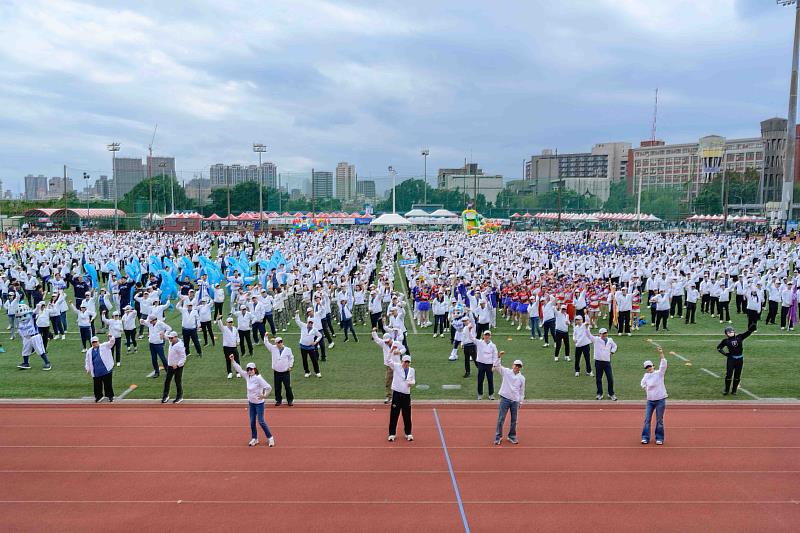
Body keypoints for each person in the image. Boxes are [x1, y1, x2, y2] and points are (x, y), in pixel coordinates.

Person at [230, 356, 275, 447]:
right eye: (248, 369)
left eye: (251, 369)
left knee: (261, 421)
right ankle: (254, 438)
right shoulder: (247, 376)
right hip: (251, 403)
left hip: (259, 404)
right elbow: (239, 369)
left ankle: (270, 438)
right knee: (252, 421)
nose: (249, 371)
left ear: (254, 369)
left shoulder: (258, 378)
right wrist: (232, 360)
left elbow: (268, 387)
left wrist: (264, 395)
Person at [493, 355, 525, 445]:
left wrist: (520, 401)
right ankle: (498, 437)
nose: (517, 367)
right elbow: (497, 366)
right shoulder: (506, 372)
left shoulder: (522, 378)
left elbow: (522, 391)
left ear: (520, 368)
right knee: (501, 419)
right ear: (513, 365)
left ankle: (512, 436)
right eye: (516, 365)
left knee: (514, 420)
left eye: (519, 366)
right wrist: (498, 357)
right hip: (505, 399)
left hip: (515, 401)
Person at [717, 324, 756, 395]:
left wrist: (751, 330)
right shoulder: (725, 341)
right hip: (731, 359)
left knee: (737, 375)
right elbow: (719, 348)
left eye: (731, 331)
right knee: (729, 374)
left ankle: (734, 390)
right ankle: (726, 390)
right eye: (729, 332)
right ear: (726, 334)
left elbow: (747, 333)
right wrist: (725, 354)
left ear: (734, 332)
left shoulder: (739, 337)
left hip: (739, 359)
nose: (731, 333)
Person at [640, 346, 667, 445]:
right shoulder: (646, 376)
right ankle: (645, 437)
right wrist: (645, 387)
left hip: (660, 400)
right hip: (650, 401)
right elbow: (642, 383)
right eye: (647, 367)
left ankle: (659, 438)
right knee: (647, 419)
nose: (649, 368)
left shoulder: (659, 374)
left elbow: (663, 365)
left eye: (650, 366)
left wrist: (661, 353)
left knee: (659, 420)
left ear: (653, 366)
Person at [14, 303, 52, 371]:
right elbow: (20, 331)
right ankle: (26, 363)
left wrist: (38, 307)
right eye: (20, 317)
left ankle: (47, 363)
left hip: (35, 336)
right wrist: (23, 337)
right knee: (25, 351)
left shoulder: (31, 318)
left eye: (24, 315)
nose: (22, 318)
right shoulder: (20, 324)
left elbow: (35, 312)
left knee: (40, 350)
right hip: (26, 337)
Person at [372, 327, 405, 404]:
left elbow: (404, 349)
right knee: (388, 381)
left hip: (397, 365)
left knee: (399, 381)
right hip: (389, 365)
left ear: (391, 339)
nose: (386, 343)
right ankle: (389, 396)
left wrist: (399, 352)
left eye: (388, 341)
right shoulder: (383, 343)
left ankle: (401, 397)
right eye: (385, 341)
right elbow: (376, 339)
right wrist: (374, 331)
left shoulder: (396, 343)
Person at [388, 354, 415, 442]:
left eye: (408, 362)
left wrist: (411, 383)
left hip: (406, 395)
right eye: (405, 362)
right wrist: (391, 351)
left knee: (407, 415)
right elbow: (388, 361)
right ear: (402, 361)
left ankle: (408, 433)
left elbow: (413, 380)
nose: (406, 364)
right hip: (397, 394)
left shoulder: (412, 370)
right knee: (394, 415)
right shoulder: (396, 366)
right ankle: (392, 434)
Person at [263, 336, 294, 406]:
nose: (279, 344)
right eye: (278, 343)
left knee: (287, 386)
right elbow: (266, 343)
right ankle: (278, 400)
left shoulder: (288, 349)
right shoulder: (273, 348)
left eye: (280, 342)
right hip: (277, 372)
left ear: (282, 342)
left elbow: (291, 358)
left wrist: (290, 366)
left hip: (285, 371)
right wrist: (265, 336)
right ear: (276, 343)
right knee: (277, 387)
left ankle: (290, 400)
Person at [589, 327, 617, 400]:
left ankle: (611, 394)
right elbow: (589, 335)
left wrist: (612, 351)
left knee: (610, 379)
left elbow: (615, 346)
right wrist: (586, 327)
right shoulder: (596, 339)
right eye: (602, 334)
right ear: (599, 334)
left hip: (607, 362)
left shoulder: (610, 340)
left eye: (605, 333)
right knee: (599, 379)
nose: (604, 335)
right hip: (598, 362)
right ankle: (599, 394)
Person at [84, 334, 115, 402]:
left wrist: (111, 337)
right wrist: (87, 368)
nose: (95, 343)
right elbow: (87, 360)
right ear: (91, 343)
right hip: (96, 372)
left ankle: (109, 396)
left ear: (98, 341)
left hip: (106, 370)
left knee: (108, 384)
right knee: (97, 386)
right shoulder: (89, 351)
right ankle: (98, 397)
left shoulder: (104, 346)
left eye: (96, 342)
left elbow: (112, 342)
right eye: (93, 342)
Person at [476, 330, 501, 400]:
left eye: (488, 335)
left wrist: (494, 365)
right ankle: (480, 394)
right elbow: (472, 338)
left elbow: (495, 356)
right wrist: (469, 329)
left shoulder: (493, 345)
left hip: (489, 365)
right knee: (480, 379)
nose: (487, 336)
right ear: (483, 336)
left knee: (490, 380)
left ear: (490, 336)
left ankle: (491, 394)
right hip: (481, 364)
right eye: (485, 335)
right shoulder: (479, 342)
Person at [162, 330, 186, 404]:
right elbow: (167, 338)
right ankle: (165, 396)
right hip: (170, 365)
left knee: (177, 381)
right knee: (167, 381)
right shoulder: (172, 342)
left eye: (171, 338)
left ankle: (179, 397)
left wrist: (177, 365)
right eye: (169, 338)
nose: (170, 339)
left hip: (178, 367)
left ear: (176, 337)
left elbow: (183, 357)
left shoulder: (179, 346)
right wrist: (164, 335)